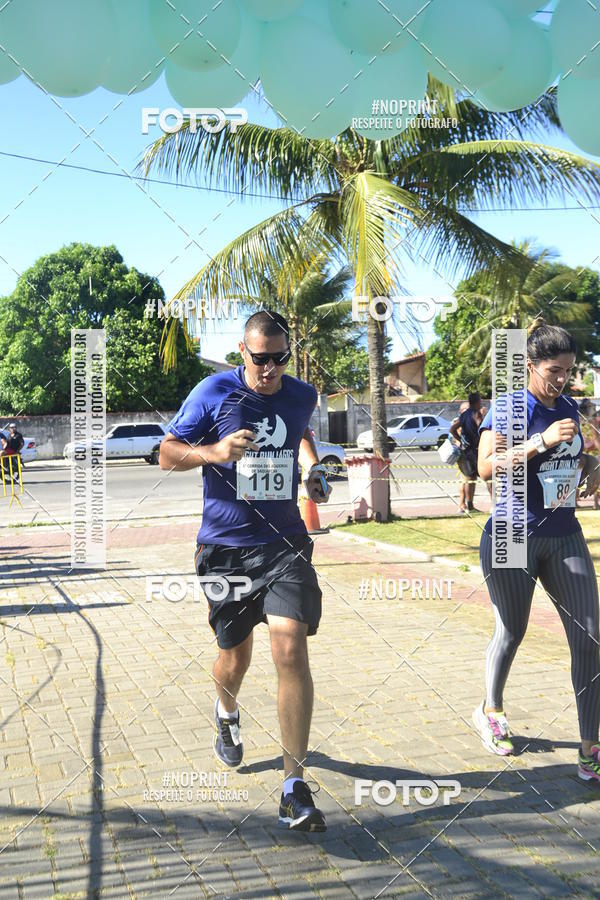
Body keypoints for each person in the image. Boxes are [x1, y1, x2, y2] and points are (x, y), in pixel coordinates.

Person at [159, 310, 331, 831]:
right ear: (243, 352)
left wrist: (313, 469)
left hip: (285, 544)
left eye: (281, 358)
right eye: (261, 359)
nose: (271, 369)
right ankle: (227, 715)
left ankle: (293, 786)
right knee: (233, 658)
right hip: (226, 548)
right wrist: (213, 451)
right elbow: (166, 452)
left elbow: (301, 435)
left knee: (289, 646)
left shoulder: (302, 395)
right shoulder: (213, 392)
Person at [473, 321, 600, 782]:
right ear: (528, 365)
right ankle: (492, 710)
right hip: (512, 533)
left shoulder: (568, 404)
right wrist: (538, 442)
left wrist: (591, 464)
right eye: (553, 371)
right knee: (512, 630)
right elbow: (486, 467)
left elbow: (574, 456)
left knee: (590, 635)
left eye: (568, 370)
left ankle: (591, 746)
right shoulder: (508, 408)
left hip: (564, 533)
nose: (562, 380)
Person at [450, 392, 493, 513]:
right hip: (477, 451)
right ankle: (494, 505)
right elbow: (482, 428)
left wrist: (460, 440)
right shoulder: (476, 414)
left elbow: (452, 429)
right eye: (480, 400)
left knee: (470, 478)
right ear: (477, 401)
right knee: (489, 477)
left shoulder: (464, 415)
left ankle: (470, 505)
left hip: (466, 451)